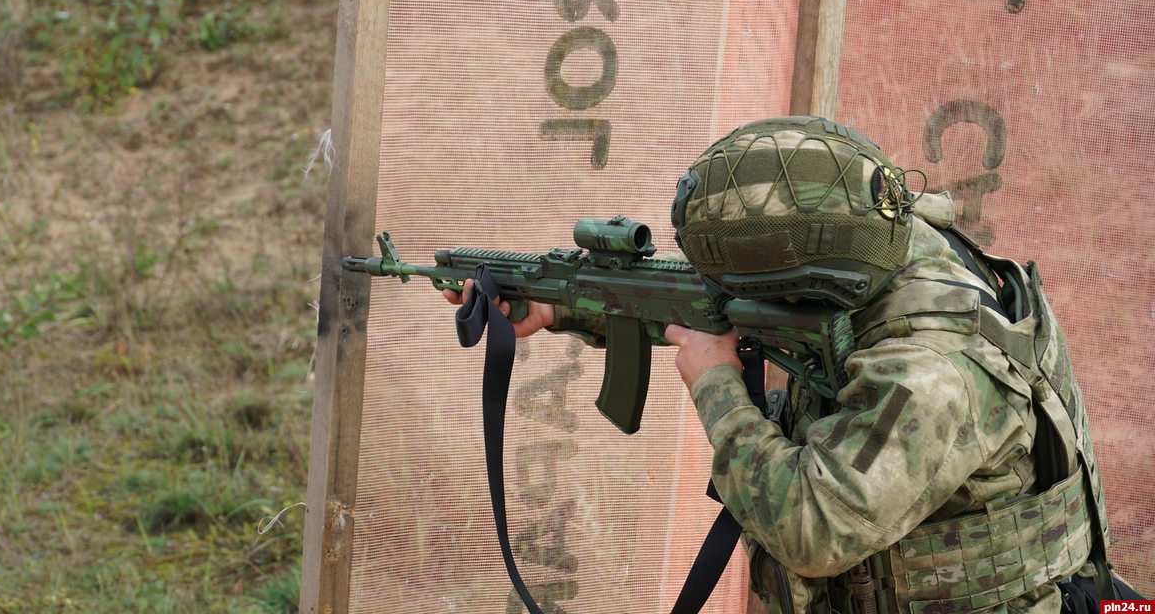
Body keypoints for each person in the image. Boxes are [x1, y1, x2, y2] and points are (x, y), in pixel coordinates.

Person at [445, 117, 1135, 614]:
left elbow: (812, 528)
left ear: (802, 275)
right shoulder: (883, 235)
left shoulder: (931, 369)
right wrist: (565, 308)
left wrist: (717, 384)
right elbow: (714, 304)